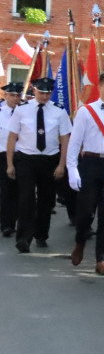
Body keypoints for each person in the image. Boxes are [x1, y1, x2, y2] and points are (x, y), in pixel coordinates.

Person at [6, 77, 72, 253]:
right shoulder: (22, 110)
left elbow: (65, 139)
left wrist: (61, 165)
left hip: (49, 159)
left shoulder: (59, 111)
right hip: (26, 158)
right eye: (41, 92)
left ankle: (41, 234)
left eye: (48, 93)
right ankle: (23, 239)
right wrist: (10, 164)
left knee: (46, 199)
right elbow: (12, 137)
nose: (44, 96)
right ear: (34, 90)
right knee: (26, 198)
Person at [67, 72, 104, 275]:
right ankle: (80, 241)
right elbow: (75, 142)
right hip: (90, 162)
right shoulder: (86, 111)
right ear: (100, 87)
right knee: (85, 212)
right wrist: (72, 169)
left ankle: (101, 260)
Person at [0, 82, 23, 237]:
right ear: (5, 95)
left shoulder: (24, 112)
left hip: (17, 155)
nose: (15, 98)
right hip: (0, 153)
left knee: (11, 190)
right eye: (12, 95)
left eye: (18, 95)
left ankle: (8, 224)